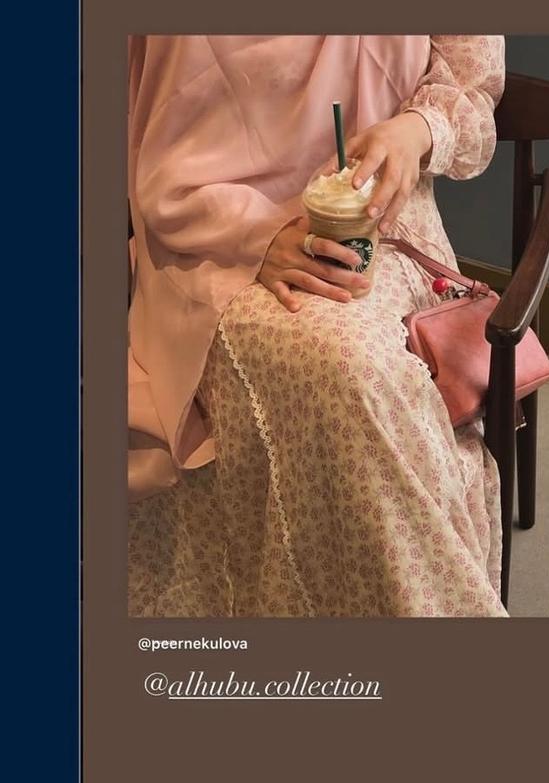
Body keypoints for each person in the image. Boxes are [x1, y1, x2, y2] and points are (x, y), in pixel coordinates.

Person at [127, 35, 508, 618]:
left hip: (383, 219)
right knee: (337, 369)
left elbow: (472, 88)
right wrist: (253, 235)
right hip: (206, 234)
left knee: (359, 374)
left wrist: (416, 129)